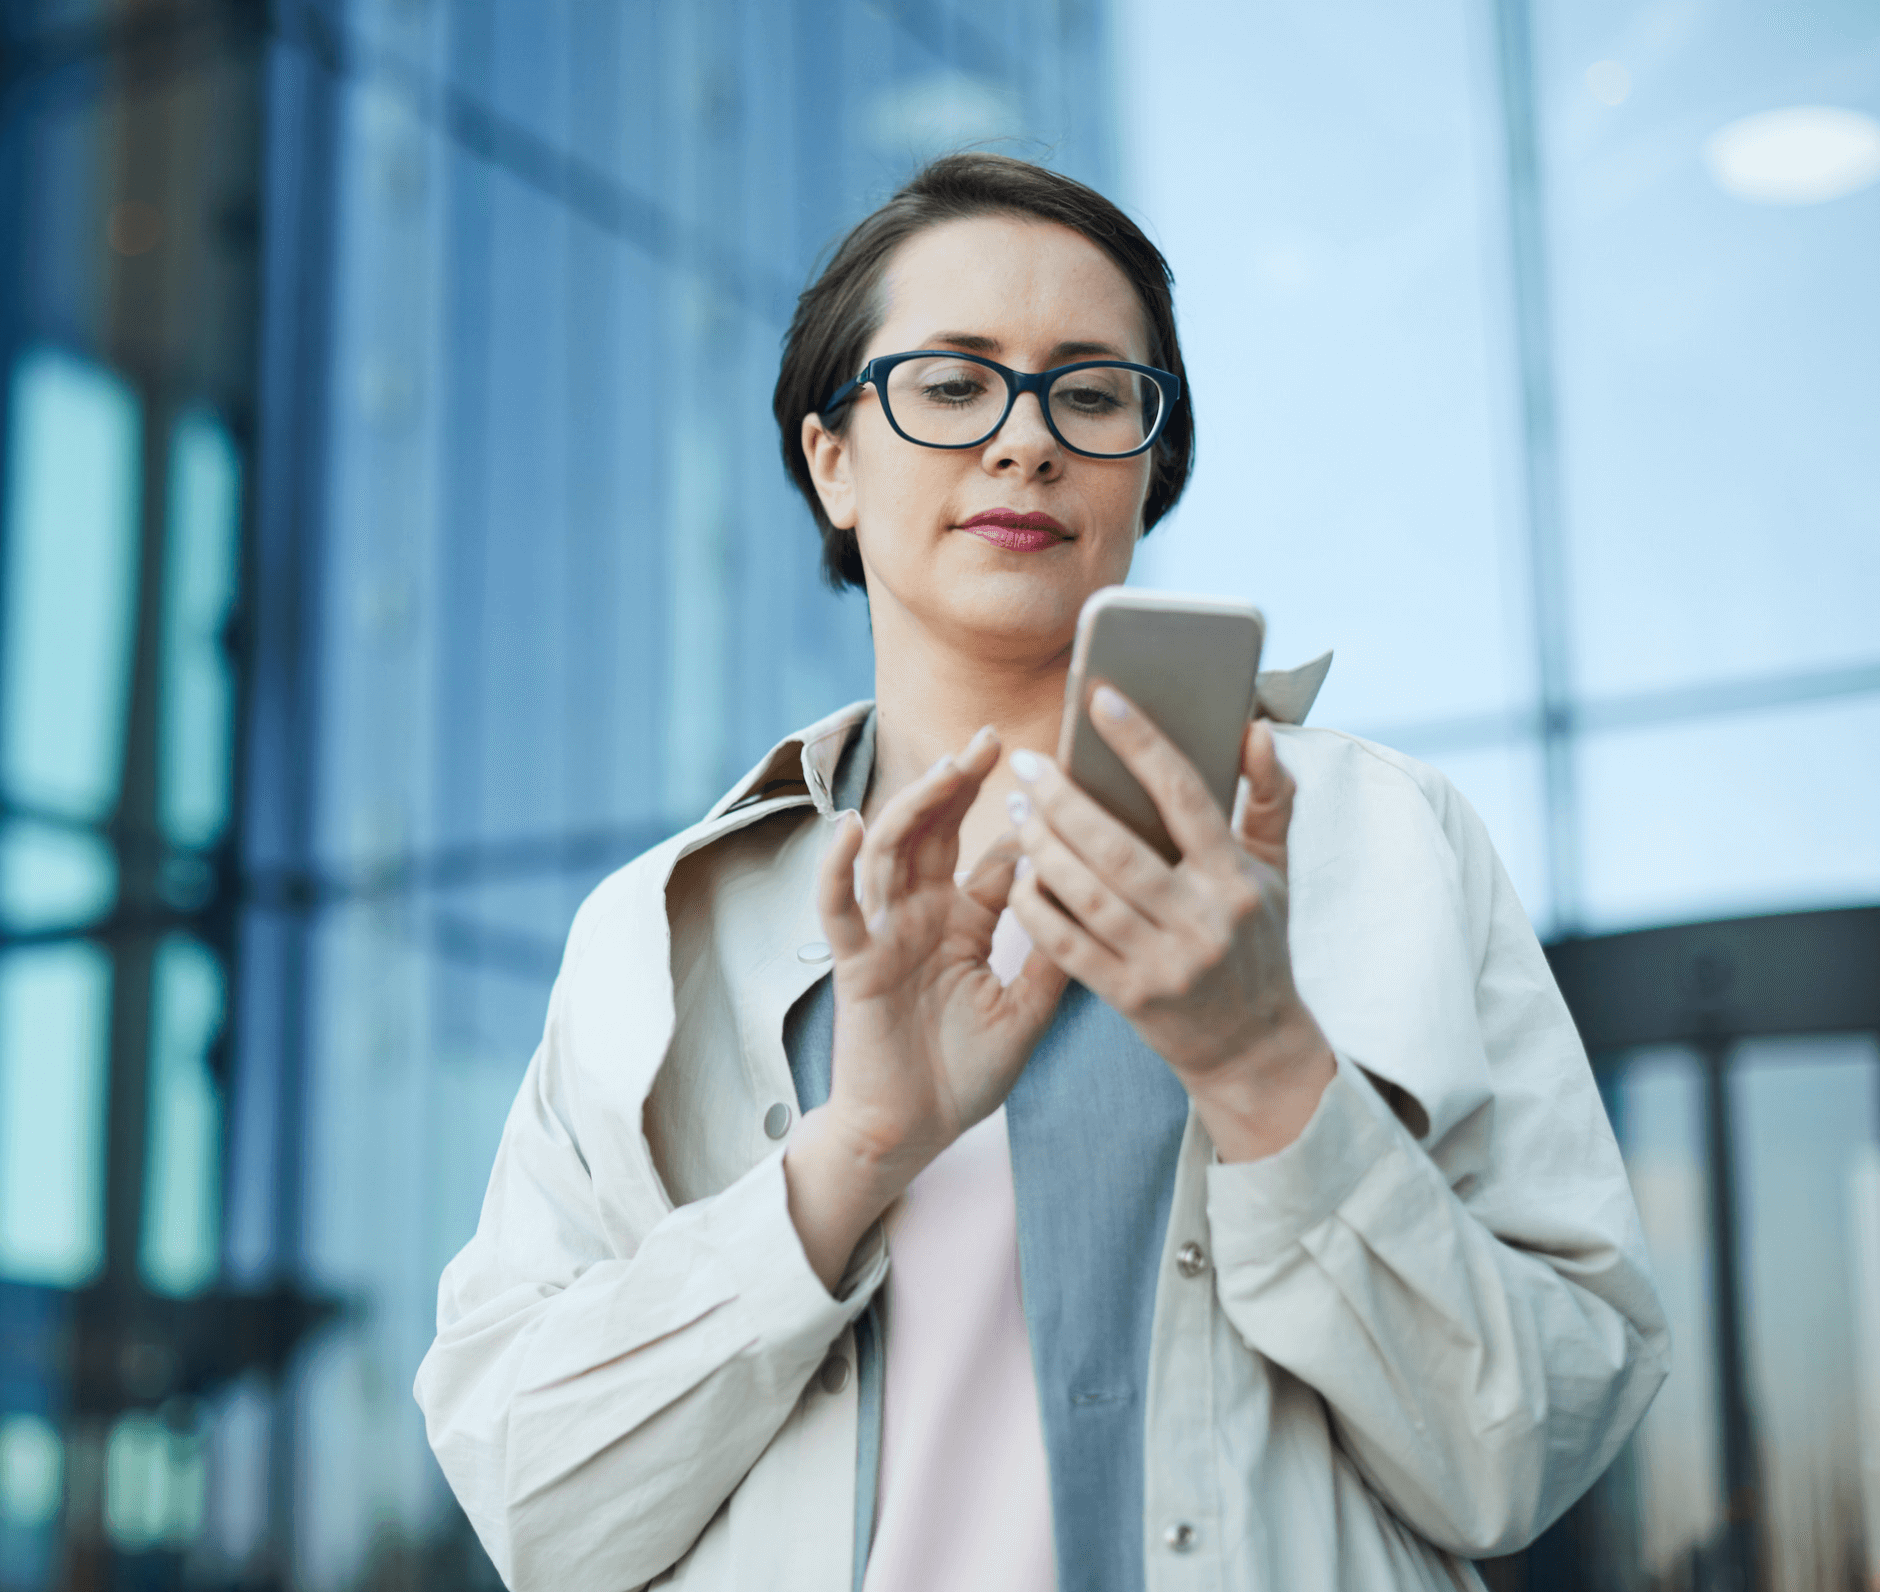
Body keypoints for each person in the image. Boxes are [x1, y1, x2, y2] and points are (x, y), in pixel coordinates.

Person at [413, 153, 1667, 1592]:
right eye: (950, 386)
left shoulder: (1386, 840)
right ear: (833, 460)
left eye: (1090, 393)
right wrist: (861, 1145)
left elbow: (1531, 1450)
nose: (1026, 443)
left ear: (1151, 464)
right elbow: (533, 1504)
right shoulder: (659, 930)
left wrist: (1266, 1069)